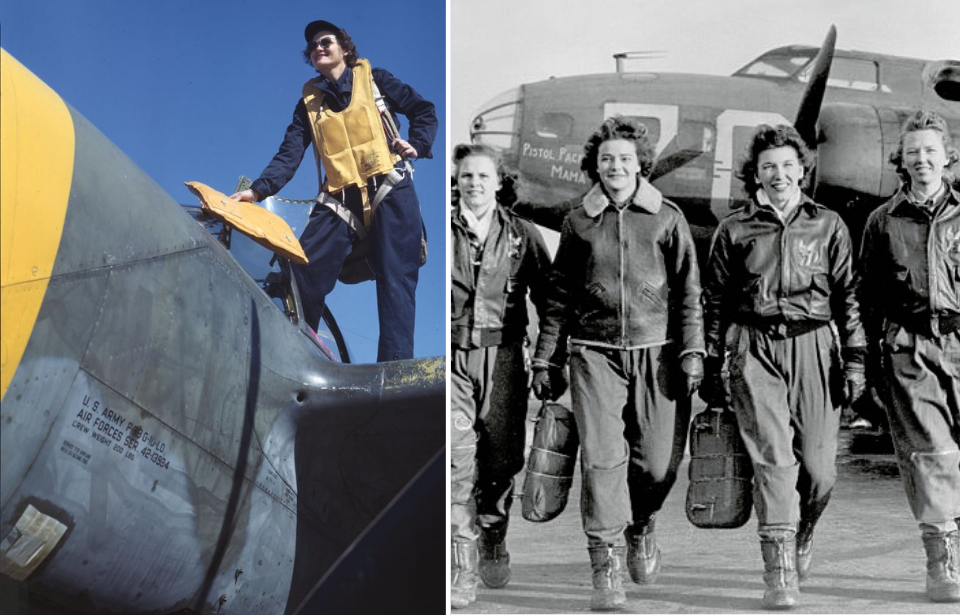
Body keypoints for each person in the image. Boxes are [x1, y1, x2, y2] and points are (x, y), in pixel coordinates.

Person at [531, 117, 704, 611]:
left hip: (659, 353)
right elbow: (559, 298)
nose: (616, 166)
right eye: (607, 159)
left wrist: (692, 351)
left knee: (656, 463)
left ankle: (642, 523)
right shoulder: (577, 222)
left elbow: (690, 293)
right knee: (603, 461)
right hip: (594, 353)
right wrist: (547, 358)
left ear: (640, 164)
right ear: (595, 166)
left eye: (625, 158)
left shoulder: (668, 218)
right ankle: (604, 567)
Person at [699, 124, 866, 609]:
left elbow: (849, 297)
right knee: (774, 462)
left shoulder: (828, 225)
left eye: (788, 165)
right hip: (755, 348)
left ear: (802, 170)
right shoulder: (734, 229)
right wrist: (715, 363)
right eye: (769, 166)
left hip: (814, 346)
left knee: (819, 471)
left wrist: (854, 360)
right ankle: (779, 572)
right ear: (755, 173)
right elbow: (715, 302)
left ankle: (803, 530)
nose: (779, 174)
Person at [231, 19, 437, 362]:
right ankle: (297, 354)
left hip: (390, 185)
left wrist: (417, 143)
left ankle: (394, 371)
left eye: (326, 41)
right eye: (312, 47)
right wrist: (257, 191)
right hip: (340, 199)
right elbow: (289, 153)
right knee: (300, 269)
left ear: (345, 48)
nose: (318, 48)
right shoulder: (307, 105)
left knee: (396, 278)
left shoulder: (375, 80)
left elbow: (424, 110)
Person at [859, 109, 960, 604]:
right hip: (912, 349)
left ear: (948, 158)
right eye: (913, 152)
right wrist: (870, 355)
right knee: (932, 454)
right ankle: (942, 561)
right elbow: (865, 295)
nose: (922, 160)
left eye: (931, 152)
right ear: (903, 160)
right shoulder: (883, 222)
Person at [449, 144, 554, 609]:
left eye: (481, 176)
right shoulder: (439, 230)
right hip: (452, 359)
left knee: (500, 463)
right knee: (456, 463)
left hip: (505, 359)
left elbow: (551, 304)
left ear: (498, 182)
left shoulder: (521, 235)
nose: (473, 183)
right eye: (466, 176)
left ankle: (493, 538)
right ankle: (462, 568)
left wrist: (548, 361)